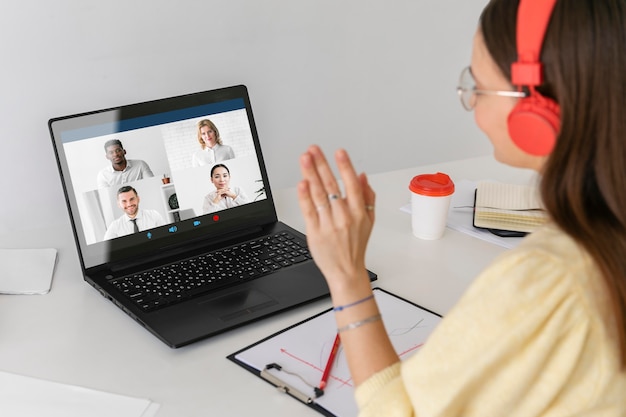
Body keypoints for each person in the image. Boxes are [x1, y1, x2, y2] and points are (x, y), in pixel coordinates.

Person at [296, 0, 626, 416]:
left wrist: (347, 278)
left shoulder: (549, 282)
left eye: (479, 87)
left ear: (535, 111)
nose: (471, 103)